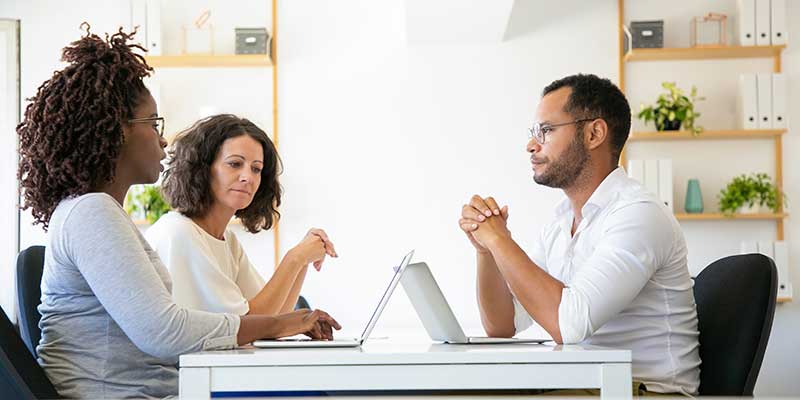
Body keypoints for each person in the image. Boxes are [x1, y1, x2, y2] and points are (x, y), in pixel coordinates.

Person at [17, 25, 339, 399]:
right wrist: (278, 324)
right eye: (153, 124)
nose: (163, 139)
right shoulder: (91, 213)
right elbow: (164, 333)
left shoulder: (99, 212)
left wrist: (282, 322)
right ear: (116, 131)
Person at [458, 74, 700, 396]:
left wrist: (500, 240)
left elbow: (568, 325)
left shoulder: (638, 215)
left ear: (594, 133)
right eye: (534, 133)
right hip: (589, 385)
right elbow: (503, 325)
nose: (532, 144)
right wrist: (486, 252)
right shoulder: (560, 226)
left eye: (546, 130)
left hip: (643, 392)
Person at [145, 114, 337, 316]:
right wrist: (295, 258)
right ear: (203, 168)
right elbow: (250, 322)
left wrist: (304, 258)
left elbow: (275, 318)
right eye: (235, 164)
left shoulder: (227, 240)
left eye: (256, 169)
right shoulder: (179, 233)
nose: (248, 177)